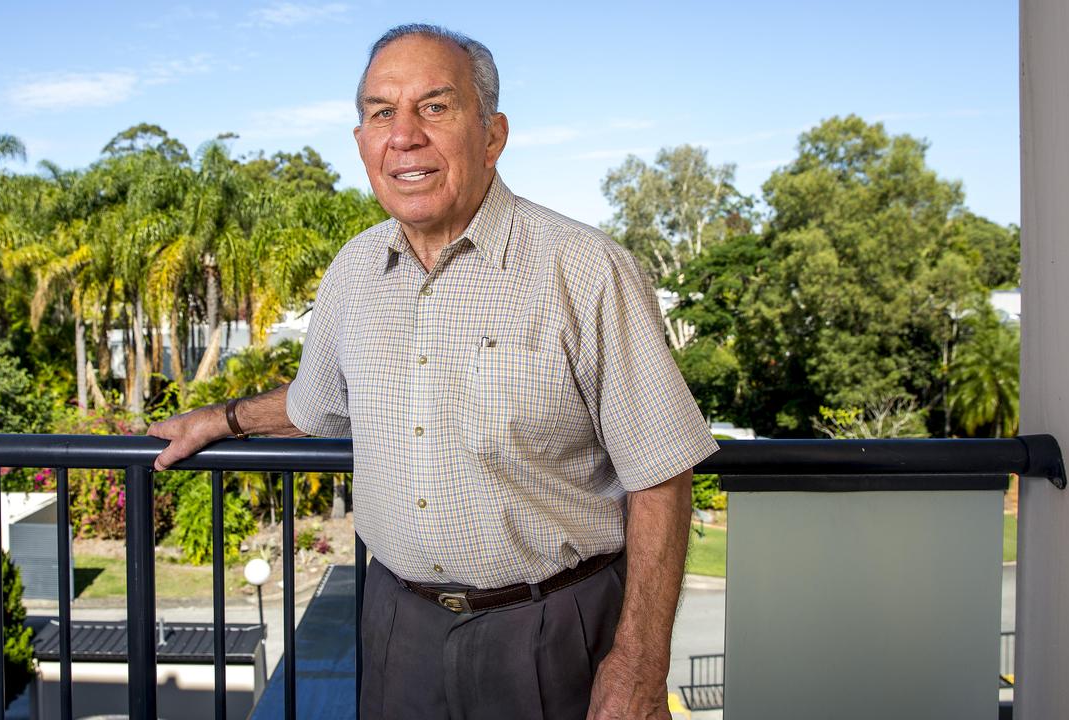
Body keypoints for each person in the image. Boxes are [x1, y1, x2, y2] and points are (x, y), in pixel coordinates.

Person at [149, 24, 718, 720]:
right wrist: (221, 420)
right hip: (397, 625)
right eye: (380, 112)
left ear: (492, 134)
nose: (404, 135)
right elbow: (317, 405)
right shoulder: (353, 271)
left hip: (549, 632)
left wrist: (638, 663)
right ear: (361, 140)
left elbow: (661, 471)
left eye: (435, 107)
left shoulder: (585, 270)